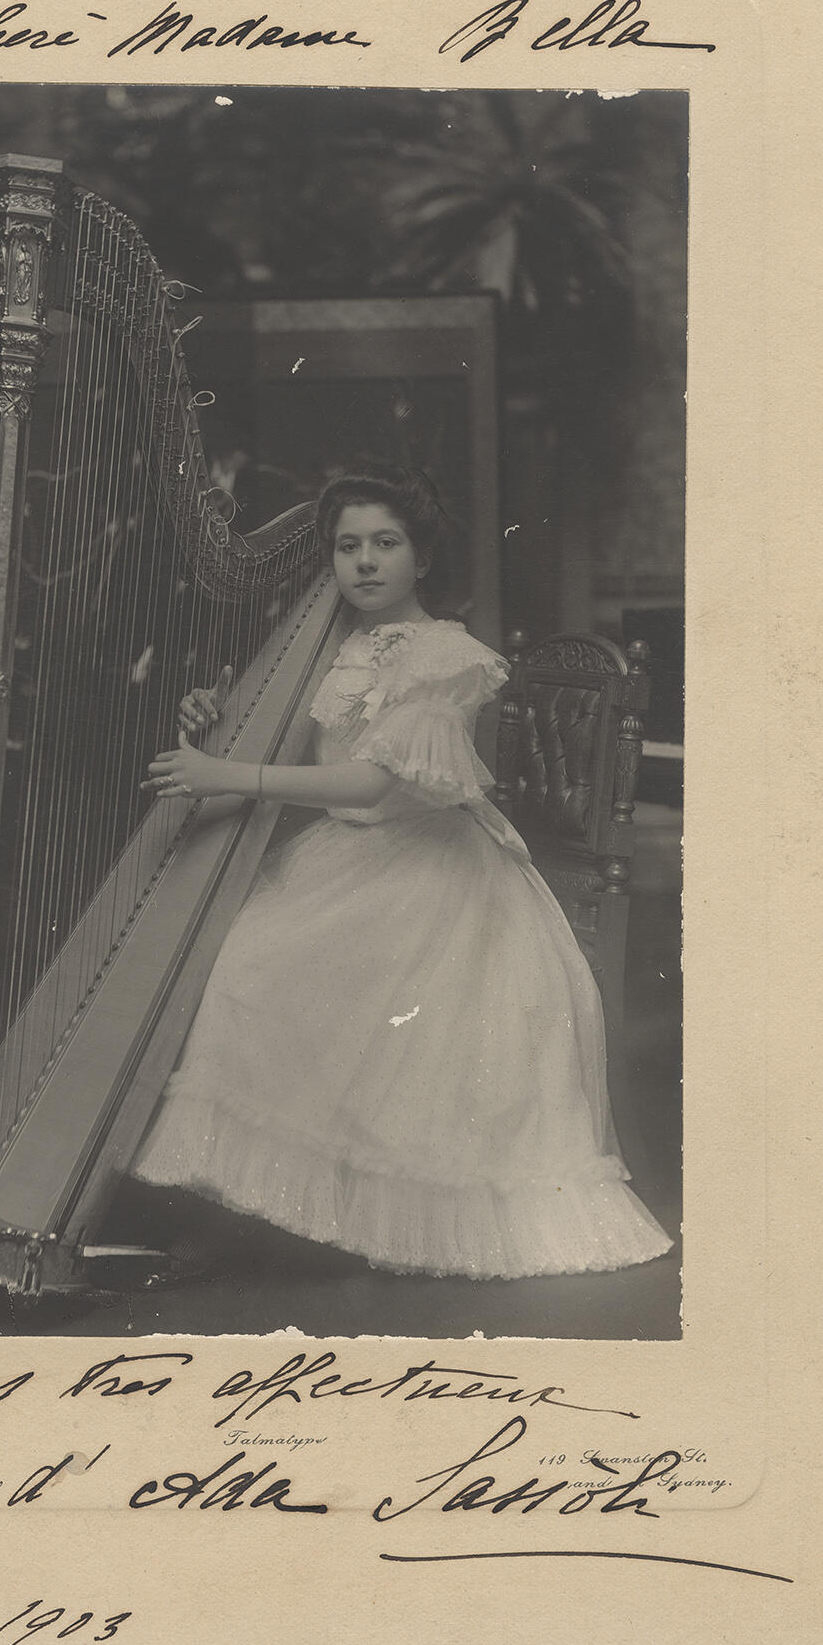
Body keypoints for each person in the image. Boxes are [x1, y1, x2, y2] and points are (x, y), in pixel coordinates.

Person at [128, 463, 672, 1282]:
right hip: (347, 858)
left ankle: (349, 1208)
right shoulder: (331, 646)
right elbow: (289, 738)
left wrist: (226, 775)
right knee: (241, 960)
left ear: (422, 558)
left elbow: (373, 786)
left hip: (429, 873)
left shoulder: (447, 657)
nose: (366, 562)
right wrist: (219, 719)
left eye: (386, 544)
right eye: (348, 547)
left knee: (263, 965)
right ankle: (275, 1202)